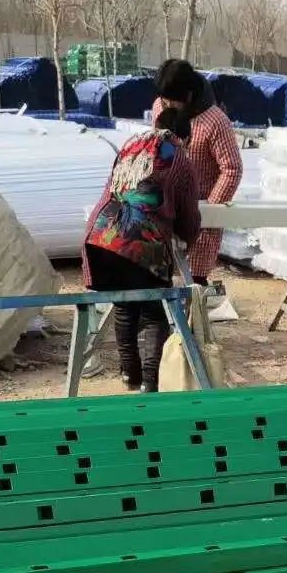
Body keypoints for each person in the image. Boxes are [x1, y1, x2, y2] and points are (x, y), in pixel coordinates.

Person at [82, 108, 201, 393]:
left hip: (102, 236)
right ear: (185, 137)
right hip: (139, 239)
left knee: (124, 307)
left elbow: (113, 189)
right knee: (154, 313)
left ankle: (130, 376)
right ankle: (150, 381)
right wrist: (188, 240)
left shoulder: (130, 145)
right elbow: (189, 216)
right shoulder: (179, 157)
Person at [152, 58, 243, 285]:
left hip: (199, 210)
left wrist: (207, 211)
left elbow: (232, 169)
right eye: (164, 98)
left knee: (193, 280)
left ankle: (194, 305)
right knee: (160, 275)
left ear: (188, 94)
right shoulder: (160, 107)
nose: (167, 104)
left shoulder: (215, 122)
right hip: (164, 208)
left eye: (172, 100)